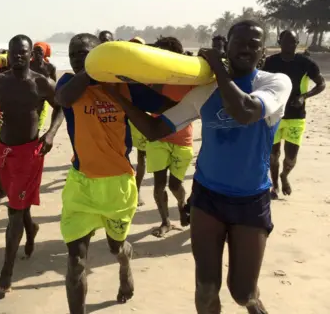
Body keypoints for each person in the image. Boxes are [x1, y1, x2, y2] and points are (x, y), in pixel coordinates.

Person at [104, 20, 291, 313]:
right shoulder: (205, 92)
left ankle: (254, 304)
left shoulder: (274, 82)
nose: (246, 48)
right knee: (205, 289)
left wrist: (217, 67)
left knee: (242, 293)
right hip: (207, 197)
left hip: (250, 199)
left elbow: (245, 111)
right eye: (239, 42)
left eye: (254, 43)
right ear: (227, 46)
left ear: (263, 51)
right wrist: (117, 96)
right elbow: (155, 130)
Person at [55, 33, 174, 313]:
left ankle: (125, 264)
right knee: (75, 262)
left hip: (118, 185)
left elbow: (167, 105)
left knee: (115, 247)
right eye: (73, 56)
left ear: (101, 55)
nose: (77, 60)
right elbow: (63, 98)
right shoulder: (68, 83)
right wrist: (89, 71)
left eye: (86, 54)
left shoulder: (124, 87)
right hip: (81, 184)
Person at [0, 34, 64, 293]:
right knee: (18, 203)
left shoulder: (41, 83)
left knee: (14, 211)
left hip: (29, 153)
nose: (18, 56)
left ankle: (6, 273)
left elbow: (60, 108)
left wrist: (50, 134)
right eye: (13, 51)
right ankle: (32, 228)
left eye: (23, 52)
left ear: (31, 55)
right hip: (3, 151)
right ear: (8, 53)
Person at [264, 30, 325, 198]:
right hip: (274, 115)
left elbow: (321, 84)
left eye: (292, 41)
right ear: (279, 41)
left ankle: (285, 175)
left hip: (296, 116)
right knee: (273, 155)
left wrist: (304, 96)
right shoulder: (269, 62)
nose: (289, 44)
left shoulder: (306, 63)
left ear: (297, 43)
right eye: (285, 41)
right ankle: (274, 186)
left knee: (290, 158)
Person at [145, 37, 195, 236]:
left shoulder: (190, 79)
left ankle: (182, 204)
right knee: (158, 184)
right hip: (159, 137)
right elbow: (150, 99)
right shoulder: (152, 79)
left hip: (183, 138)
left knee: (175, 184)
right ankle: (165, 221)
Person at [127, 37, 148, 206]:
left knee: (142, 156)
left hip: (142, 116)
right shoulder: (121, 68)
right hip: (123, 117)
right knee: (122, 152)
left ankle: (138, 190)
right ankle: (126, 188)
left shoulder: (149, 69)